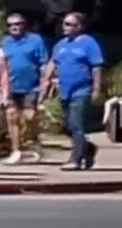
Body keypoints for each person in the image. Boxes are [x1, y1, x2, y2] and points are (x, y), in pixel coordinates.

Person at [39, 12, 104, 171]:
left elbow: (97, 67)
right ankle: (87, 149)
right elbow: (52, 64)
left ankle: (75, 159)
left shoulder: (89, 43)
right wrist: (45, 86)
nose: (65, 27)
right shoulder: (61, 44)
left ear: (80, 26)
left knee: (76, 125)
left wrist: (96, 88)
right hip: (65, 91)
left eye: (70, 24)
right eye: (64, 24)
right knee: (69, 126)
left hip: (82, 90)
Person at [2, 12, 48, 164]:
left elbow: (43, 64)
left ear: (24, 25)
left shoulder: (35, 40)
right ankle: (16, 151)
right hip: (11, 86)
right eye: (11, 25)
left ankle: (33, 143)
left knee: (29, 117)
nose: (14, 27)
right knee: (12, 117)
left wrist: (44, 84)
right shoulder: (5, 42)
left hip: (31, 87)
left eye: (17, 24)